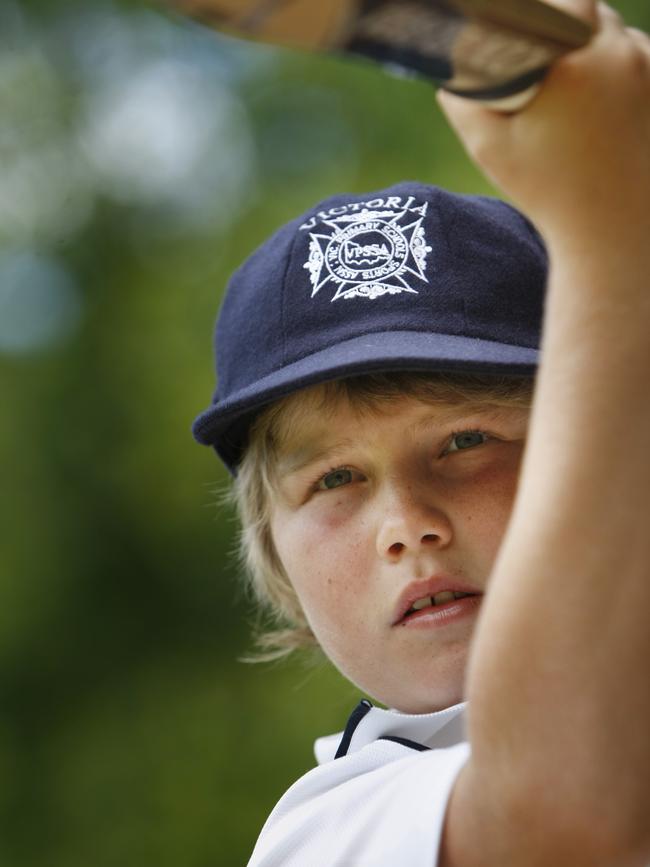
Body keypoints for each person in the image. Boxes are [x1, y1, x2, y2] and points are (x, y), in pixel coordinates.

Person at [192, 2, 650, 864]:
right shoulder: (336, 829)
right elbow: (564, 815)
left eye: (466, 441)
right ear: (277, 560)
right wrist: (612, 228)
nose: (407, 522)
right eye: (333, 479)